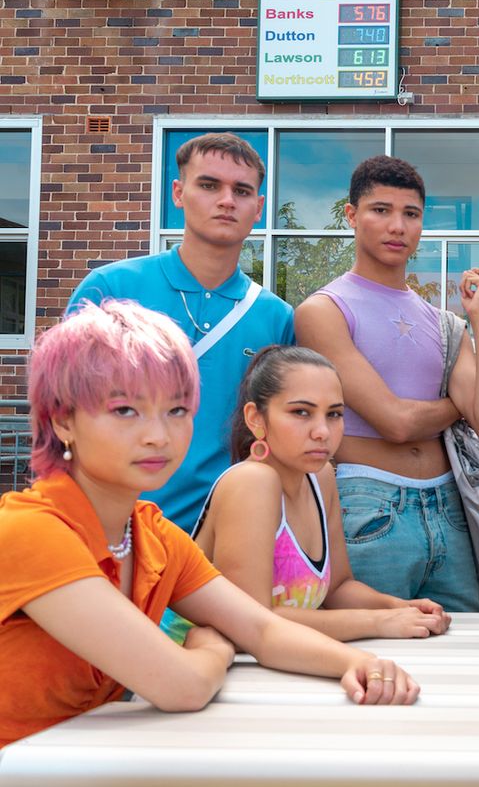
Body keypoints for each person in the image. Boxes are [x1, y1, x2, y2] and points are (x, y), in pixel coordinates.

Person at [0, 302, 418, 748]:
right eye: (126, 411)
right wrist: (214, 646)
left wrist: (357, 663)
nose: (158, 435)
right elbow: (182, 686)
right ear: (63, 420)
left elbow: (261, 629)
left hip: (92, 759)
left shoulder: (152, 536)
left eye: (176, 411)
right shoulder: (29, 531)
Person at [295, 155, 479, 612]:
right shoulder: (324, 310)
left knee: (465, 654)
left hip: (451, 505)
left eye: (410, 214)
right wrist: (456, 404)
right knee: (379, 659)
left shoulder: (446, 323)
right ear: (351, 215)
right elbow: (395, 421)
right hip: (366, 505)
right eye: (380, 210)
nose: (397, 226)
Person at [67, 132, 294, 533]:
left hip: (219, 537)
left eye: (241, 191)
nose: (226, 200)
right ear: (178, 192)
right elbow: (62, 410)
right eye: (208, 185)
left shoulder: (274, 316)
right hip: (107, 527)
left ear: (258, 208)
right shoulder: (110, 288)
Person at [165, 346, 451, 643]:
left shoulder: (320, 476)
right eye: (301, 412)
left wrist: (398, 607)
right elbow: (250, 618)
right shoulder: (250, 482)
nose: (322, 431)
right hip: (194, 667)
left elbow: (338, 588)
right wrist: (377, 621)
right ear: (256, 418)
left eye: (334, 414)